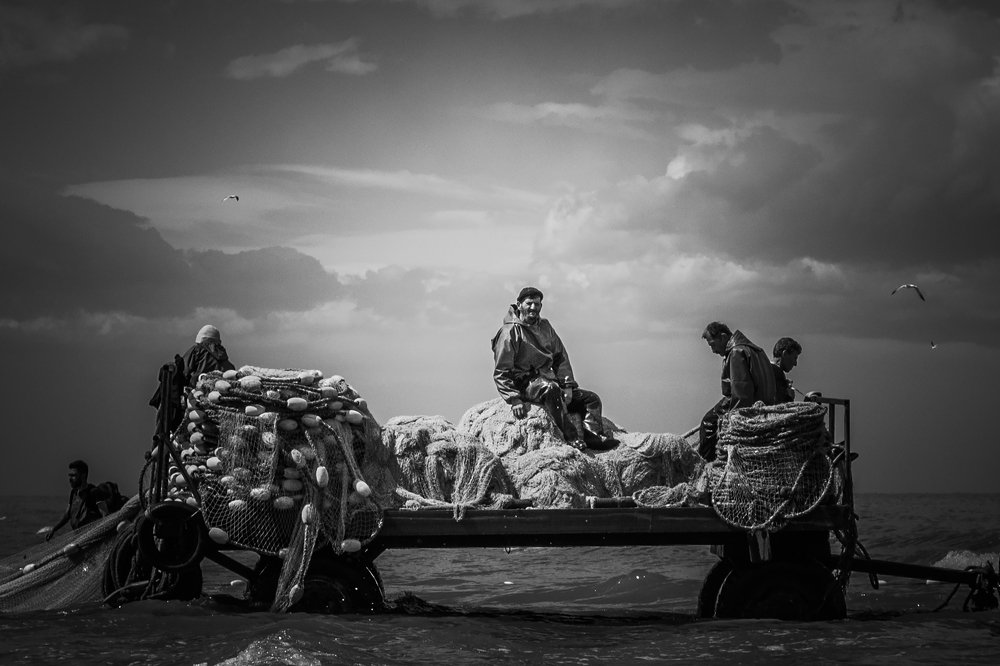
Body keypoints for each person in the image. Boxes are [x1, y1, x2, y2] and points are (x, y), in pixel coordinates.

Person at [491, 286, 617, 450]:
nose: (533, 308)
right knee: (550, 389)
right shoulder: (509, 332)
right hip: (525, 383)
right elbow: (501, 371)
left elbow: (560, 356)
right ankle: (571, 437)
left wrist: (567, 385)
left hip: (549, 379)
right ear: (519, 304)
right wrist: (514, 399)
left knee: (591, 399)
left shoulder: (545, 327)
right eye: (529, 303)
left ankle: (592, 436)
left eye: (537, 304)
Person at [698, 322, 777, 462]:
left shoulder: (736, 352)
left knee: (708, 423)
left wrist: (733, 421)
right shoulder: (757, 350)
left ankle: (705, 466)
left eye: (712, 345)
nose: (713, 351)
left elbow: (741, 393)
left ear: (723, 337)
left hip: (751, 408)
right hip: (766, 406)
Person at [41, 460, 104, 541]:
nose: (70, 479)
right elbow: (67, 515)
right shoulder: (73, 493)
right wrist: (54, 529)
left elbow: (105, 515)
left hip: (92, 537)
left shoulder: (94, 492)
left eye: (73, 475)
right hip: (79, 537)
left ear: (83, 475)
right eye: (69, 475)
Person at [771, 337, 802, 404]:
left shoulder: (766, 369)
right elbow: (780, 407)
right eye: (795, 358)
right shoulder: (777, 372)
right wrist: (789, 396)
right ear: (784, 354)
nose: (795, 363)